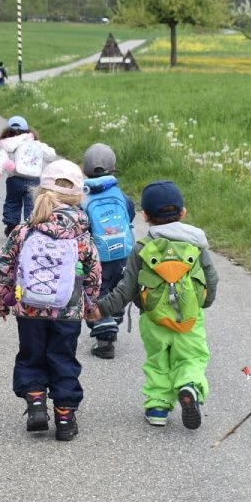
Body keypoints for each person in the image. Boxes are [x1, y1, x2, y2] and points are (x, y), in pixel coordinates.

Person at [87, 180, 218, 429]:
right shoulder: (196, 244)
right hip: (189, 319)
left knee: (158, 362)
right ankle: (189, 385)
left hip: (153, 318)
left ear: (145, 216)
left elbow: (126, 289)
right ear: (183, 212)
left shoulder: (142, 248)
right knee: (192, 358)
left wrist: (100, 309)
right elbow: (211, 278)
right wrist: (205, 302)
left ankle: (158, 409)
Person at [0, 160, 102, 442]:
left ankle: (37, 403)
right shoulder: (81, 236)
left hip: (28, 309)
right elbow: (93, 274)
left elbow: (4, 266)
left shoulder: (24, 231)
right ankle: (65, 418)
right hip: (68, 311)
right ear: (78, 198)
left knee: (31, 356)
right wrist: (90, 304)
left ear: (39, 192)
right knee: (63, 360)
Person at [80, 143, 135, 359]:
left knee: (96, 291)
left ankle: (105, 334)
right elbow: (129, 215)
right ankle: (113, 318)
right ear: (113, 169)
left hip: (96, 256)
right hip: (122, 253)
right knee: (117, 288)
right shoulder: (120, 194)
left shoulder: (83, 196)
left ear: (84, 170)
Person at [0, 115, 58, 236]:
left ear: (7, 131)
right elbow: (51, 155)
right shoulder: (36, 144)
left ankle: (12, 225)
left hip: (14, 180)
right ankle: (31, 226)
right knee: (32, 204)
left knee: (12, 202)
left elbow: (1, 159)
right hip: (33, 180)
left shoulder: (7, 144)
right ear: (28, 131)